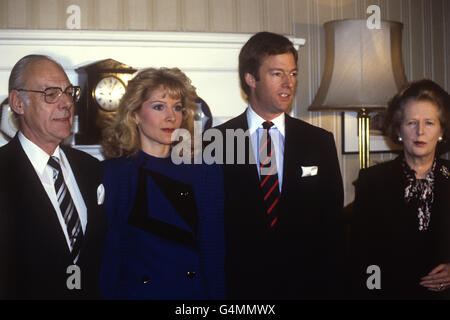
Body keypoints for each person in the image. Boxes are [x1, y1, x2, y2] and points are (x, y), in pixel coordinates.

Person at [214, 31, 345, 299]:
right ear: (251, 79)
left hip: (307, 288)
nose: (289, 83)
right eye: (277, 74)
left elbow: (333, 228)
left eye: (293, 74)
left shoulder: (319, 141)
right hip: (240, 291)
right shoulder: (215, 143)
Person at [99, 67, 225, 300]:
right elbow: (110, 257)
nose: (171, 116)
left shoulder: (204, 170)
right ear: (134, 114)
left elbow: (214, 251)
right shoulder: (113, 175)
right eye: (159, 106)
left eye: (177, 107)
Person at [0, 55, 106, 299]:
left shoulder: (91, 169)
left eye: (69, 92)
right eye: (51, 93)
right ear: (18, 103)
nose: (66, 103)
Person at [349, 79, 450, 300]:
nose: (420, 131)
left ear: (442, 130)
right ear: (399, 129)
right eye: (412, 123)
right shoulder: (372, 181)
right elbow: (362, 255)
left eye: (430, 123)